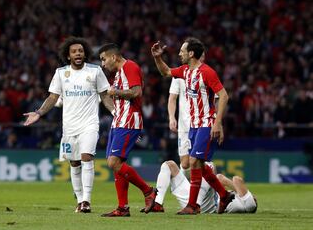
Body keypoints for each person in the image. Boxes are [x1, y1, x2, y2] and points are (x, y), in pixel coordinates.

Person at [23, 36, 114, 213]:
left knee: (87, 156)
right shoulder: (60, 73)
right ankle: (79, 200)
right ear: (68, 55)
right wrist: (39, 112)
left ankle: (87, 200)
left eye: (80, 51)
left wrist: (116, 113)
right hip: (70, 127)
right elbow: (53, 97)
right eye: (74, 51)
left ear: (85, 53)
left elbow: (105, 95)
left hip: (90, 123)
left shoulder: (95, 71)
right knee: (74, 163)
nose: (78, 53)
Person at [151, 37, 234, 215]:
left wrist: (218, 123)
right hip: (193, 125)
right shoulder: (185, 71)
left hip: (206, 123)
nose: (179, 53)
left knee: (194, 162)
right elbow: (166, 72)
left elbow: (224, 95)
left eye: (182, 50)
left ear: (191, 53)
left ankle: (193, 205)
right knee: (200, 166)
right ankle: (224, 195)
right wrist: (158, 58)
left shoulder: (207, 72)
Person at [98, 43, 156, 217]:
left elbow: (136, 92)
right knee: (116, 165)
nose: (103, 64)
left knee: (113, 163)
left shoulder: (130, 66)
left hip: (129, 121)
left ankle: (148, 191)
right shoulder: (118, 74)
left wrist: (115, 92)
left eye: (104, 59)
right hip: (119, 121)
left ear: (114, 57)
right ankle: (122, 207)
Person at [144, 161, 257, 214]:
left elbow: (235, 179)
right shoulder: (242, 204)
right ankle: (157, 204)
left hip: (206, 206)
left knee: (209, 166)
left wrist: (246, 193)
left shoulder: (249, 204)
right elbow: (220, 178)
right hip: (193, 198)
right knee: (169, 165)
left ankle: (193, 206)